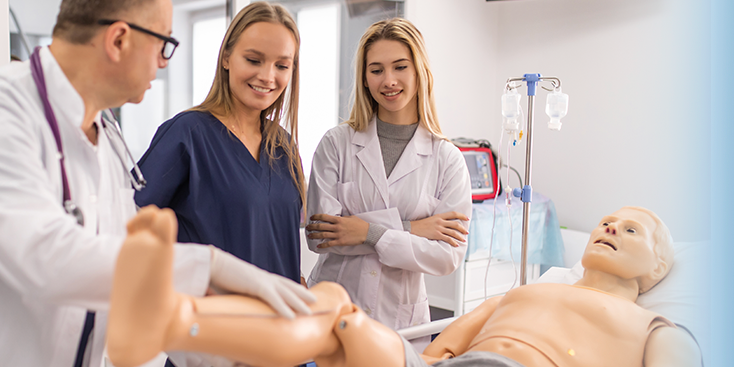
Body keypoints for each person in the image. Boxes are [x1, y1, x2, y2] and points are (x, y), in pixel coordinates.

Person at [0, 0, 314, 367]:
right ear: (119, 39)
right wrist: (209, 265)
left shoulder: (106, 138)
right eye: (164, 44)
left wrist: (210, 350)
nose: (164, 65)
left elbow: (127, 264)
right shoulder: (10, 109)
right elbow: (45, 258)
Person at [106, 206, 701, 367]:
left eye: (632, 229)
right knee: (336, 306)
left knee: (340, 323)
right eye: (605, 221)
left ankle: (167, 321)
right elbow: (446, 344)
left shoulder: (658, 327)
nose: (609, 228)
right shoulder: (531, 290)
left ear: (657, 269)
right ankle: (165, 321)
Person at [303, 18, 472, 331]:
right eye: (376, 69)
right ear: (365, 78)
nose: (389, 80)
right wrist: (414, 228)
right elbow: (320, 237)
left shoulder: (447, 159)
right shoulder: (336, 143)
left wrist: (369, 232)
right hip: (332, 310)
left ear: (419, 72)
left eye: (400, 67)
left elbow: (446, 257)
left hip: (400, 321)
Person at [134, 1, 307, 285]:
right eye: (253, 60)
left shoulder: (283, 146)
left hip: (281, 321)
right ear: (226, 58)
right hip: (211, 320)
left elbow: (277, 240)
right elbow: (131, 228)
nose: (267, 76)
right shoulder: (187, 134)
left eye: (282, 65)